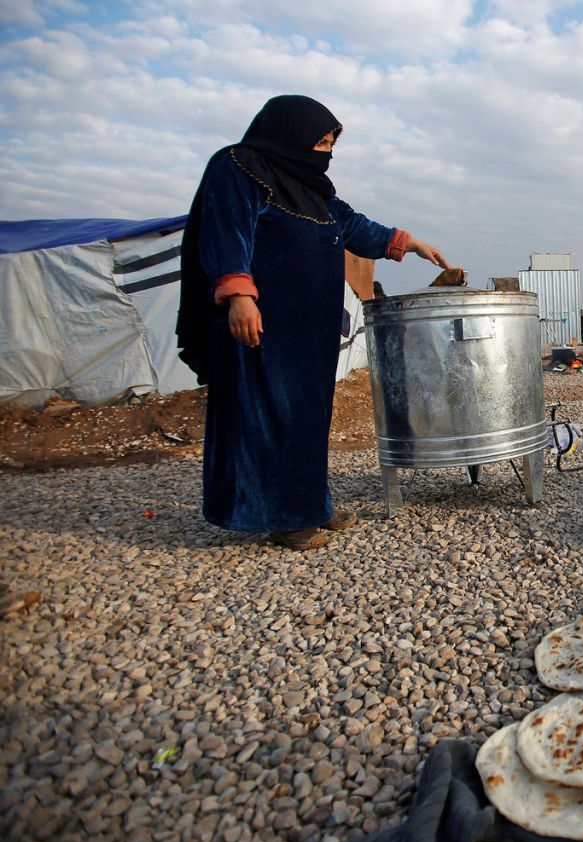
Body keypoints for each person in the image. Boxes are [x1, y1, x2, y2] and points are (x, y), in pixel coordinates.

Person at [176, 95, 451, 550]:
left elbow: (356, 228)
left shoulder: (313, 189)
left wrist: (411, 244)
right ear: (288, 133)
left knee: (306, 419)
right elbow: (227, 230)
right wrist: (239, 294)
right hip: (263, 324)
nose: (324, 151)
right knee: (268, 416)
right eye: (318, 141)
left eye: (329, 143)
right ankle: (281, 517)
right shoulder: (238, 167)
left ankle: (311, 504)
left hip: (310, 330)